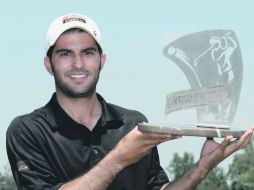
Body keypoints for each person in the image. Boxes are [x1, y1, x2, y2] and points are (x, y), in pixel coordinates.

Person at [6, 13, 253, 190]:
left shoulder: (132, 124)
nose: (78, 63)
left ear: (101, 60)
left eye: (88, 52)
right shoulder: (28, 131)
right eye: (65, 54)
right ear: (49, 64)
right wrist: (120, 157)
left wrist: (202, 167)